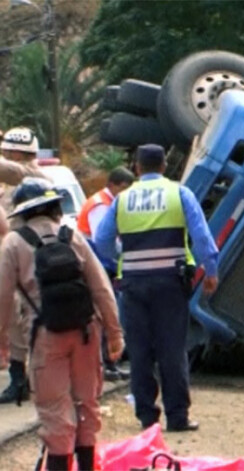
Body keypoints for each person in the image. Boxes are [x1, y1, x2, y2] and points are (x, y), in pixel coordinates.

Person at [0, 178, 124, 471]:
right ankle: (87, 466)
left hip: (46, 335)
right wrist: (115, 334)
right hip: (86, 332)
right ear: (54, 206)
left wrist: (3, 343)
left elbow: (2, 297)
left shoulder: (13, 243)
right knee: (87, 405)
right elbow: (100, 287)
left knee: (55, 412)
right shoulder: (73, 236)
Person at [94, 144, 219, 432]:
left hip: (133, 284)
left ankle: (147, 417)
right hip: (170, 284)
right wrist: (210, 271)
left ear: (137, 168)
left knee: (139, 351)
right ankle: (177, 417)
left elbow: (101, 241)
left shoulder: (122, 200)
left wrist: (121, 258)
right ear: (164, 166)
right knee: (172, 349)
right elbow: (201, 237)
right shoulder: (180, 194)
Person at [0, 127, 50, 404]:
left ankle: (27, 378)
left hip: (30, 257)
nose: (6, 155)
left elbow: (7, 169)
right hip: (13, 256)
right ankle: (21, 378)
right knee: (15, 320)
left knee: (26, 317)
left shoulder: (32, 176)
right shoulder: (12, 183)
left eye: (10, 151)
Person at [78, 166, 135, 381]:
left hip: (102, 264)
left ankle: (109, 362)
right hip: (97, 264)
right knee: (104, 314)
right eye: (123, 188)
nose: (126, 193)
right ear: (111, 185)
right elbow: (101, 240)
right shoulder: (101, 205)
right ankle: (106, 363)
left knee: (108, 314)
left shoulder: (110, 203)